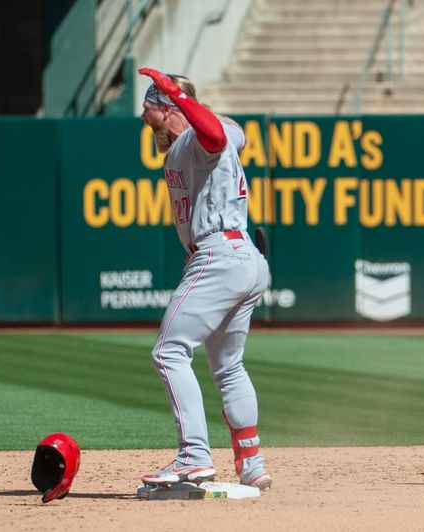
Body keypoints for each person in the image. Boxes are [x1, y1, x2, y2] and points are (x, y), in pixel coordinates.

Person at [137, 68, 272, 491]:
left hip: (218, 253)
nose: (144, 117)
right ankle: (251, 462)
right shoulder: (190, 141)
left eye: (148, 106)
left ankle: (194, 456)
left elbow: (214, 134)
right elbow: (229, 132)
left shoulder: (198, 137)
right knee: (229, 367)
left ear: (165, 104)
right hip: (242, 254)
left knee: (168, 352)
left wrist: (177, 93)